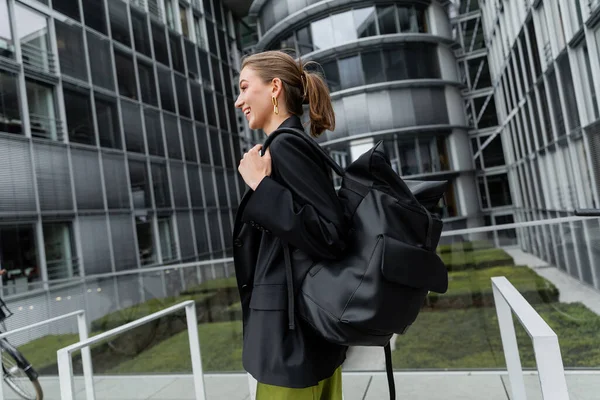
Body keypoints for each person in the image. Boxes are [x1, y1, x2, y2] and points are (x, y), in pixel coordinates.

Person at [233, 50, 348, 399]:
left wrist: (262, 188)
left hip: (294, 344)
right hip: (299, 339)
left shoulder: (287, 147)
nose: (239, 101)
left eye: (244, 87)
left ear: (275, 88)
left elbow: (331, 235)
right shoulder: (283, 147)